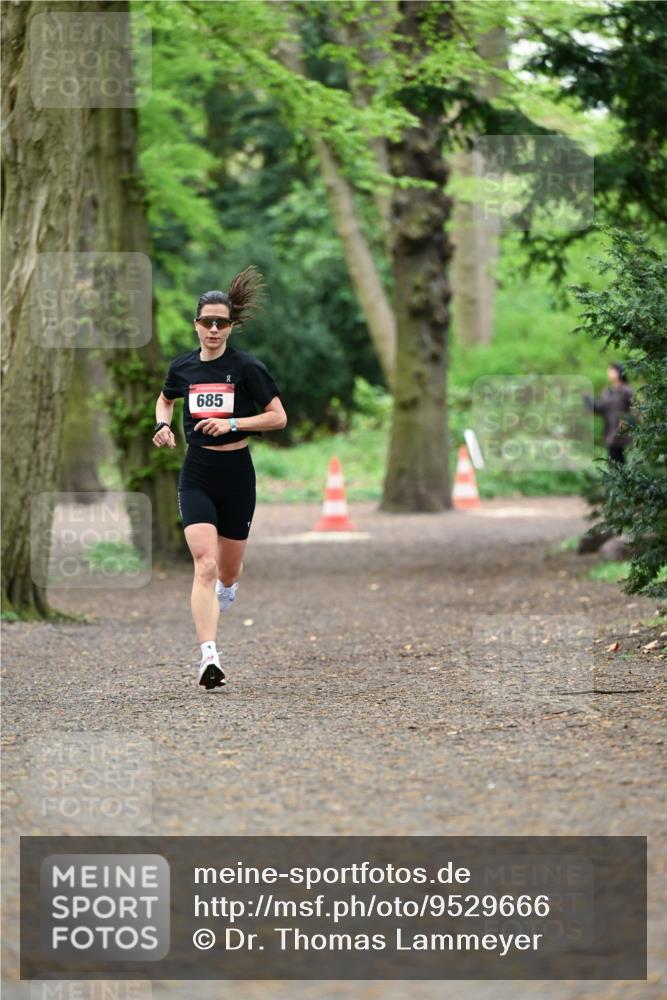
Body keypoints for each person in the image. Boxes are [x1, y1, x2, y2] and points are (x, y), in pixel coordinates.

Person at [152, 267, 287, 690]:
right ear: (196, 325)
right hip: (198, 472)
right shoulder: (183, 367)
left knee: (227, 571)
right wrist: (161, 426)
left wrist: (231, 423)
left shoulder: (247, 368)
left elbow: (278, 417)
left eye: (221, 323)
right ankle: (209, 657)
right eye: (206, 322)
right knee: (204, 563)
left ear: (231, 327)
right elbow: (165, 399)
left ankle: (229, 588)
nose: (213, 329)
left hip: (237, 473)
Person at [584, 362, 634, 463]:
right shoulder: (607, 391)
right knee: (614, 462)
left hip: (622, 432)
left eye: (612, 370)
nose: (609, 372)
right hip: (609, 432)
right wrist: (588, 399)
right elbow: (599, 409)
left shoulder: (626, 391)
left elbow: (634, 409)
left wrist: (626, 422)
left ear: (619, 372)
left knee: (618, 463)